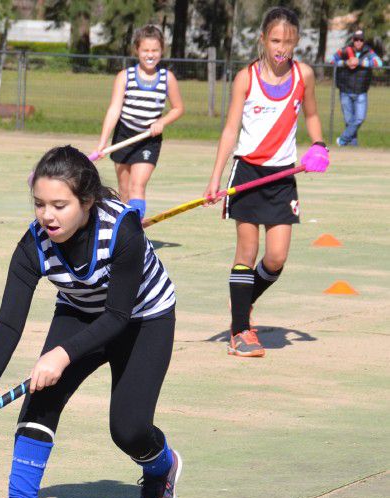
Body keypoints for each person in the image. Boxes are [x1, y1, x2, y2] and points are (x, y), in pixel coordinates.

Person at [0, 145, 181, 498]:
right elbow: (9, 323)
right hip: (79, 312)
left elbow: (117, 316)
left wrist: (62, 353)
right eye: (40, 204)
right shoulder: (33, 244)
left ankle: (162, 468)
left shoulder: (122, 230)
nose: (47, 215)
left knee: (128, 430)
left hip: (144, 319)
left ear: (87, 201)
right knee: (41, 398)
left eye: (59, 205)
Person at [203, 7, 329, 358]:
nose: (281, 48)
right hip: (247, 174)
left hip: (283, 176)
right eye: (275, 40)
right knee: (247, 250)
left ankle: (241, 304)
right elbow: (230, 129)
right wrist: (215, 177)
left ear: (297, 42)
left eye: (289, 41)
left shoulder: (303, 75)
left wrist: (318, 146)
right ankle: (241, 330)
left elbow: (313, 115)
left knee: (276, 258)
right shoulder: (247, 77)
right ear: (263, 39)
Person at [95, 24, 184, 219]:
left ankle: (135, 231)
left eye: (155, 50)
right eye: (145, 50)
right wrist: (103, 141)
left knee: (137, 186)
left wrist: (162, 121)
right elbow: (114, 109)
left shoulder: (167, 78)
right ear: (137, 50)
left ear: (162, 50)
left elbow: (178, 108)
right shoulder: (125, 77)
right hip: (123, 135)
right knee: (124, 190)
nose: (150, 55)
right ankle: (123, 230)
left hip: (148, 139)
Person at [332, 29, 384, 147]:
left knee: (359, 119)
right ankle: (353, 146)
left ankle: (342, 140)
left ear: (363, 41)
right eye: (356, 39)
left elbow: (379, 63)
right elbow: (332, 61)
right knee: (349, 122)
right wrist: (346, 63)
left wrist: (360, 62)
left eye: (361, 40)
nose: (358, 42)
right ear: (353, 40)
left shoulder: (369, 52)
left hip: (361, 92)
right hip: (345, 90)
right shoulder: (345, 50)